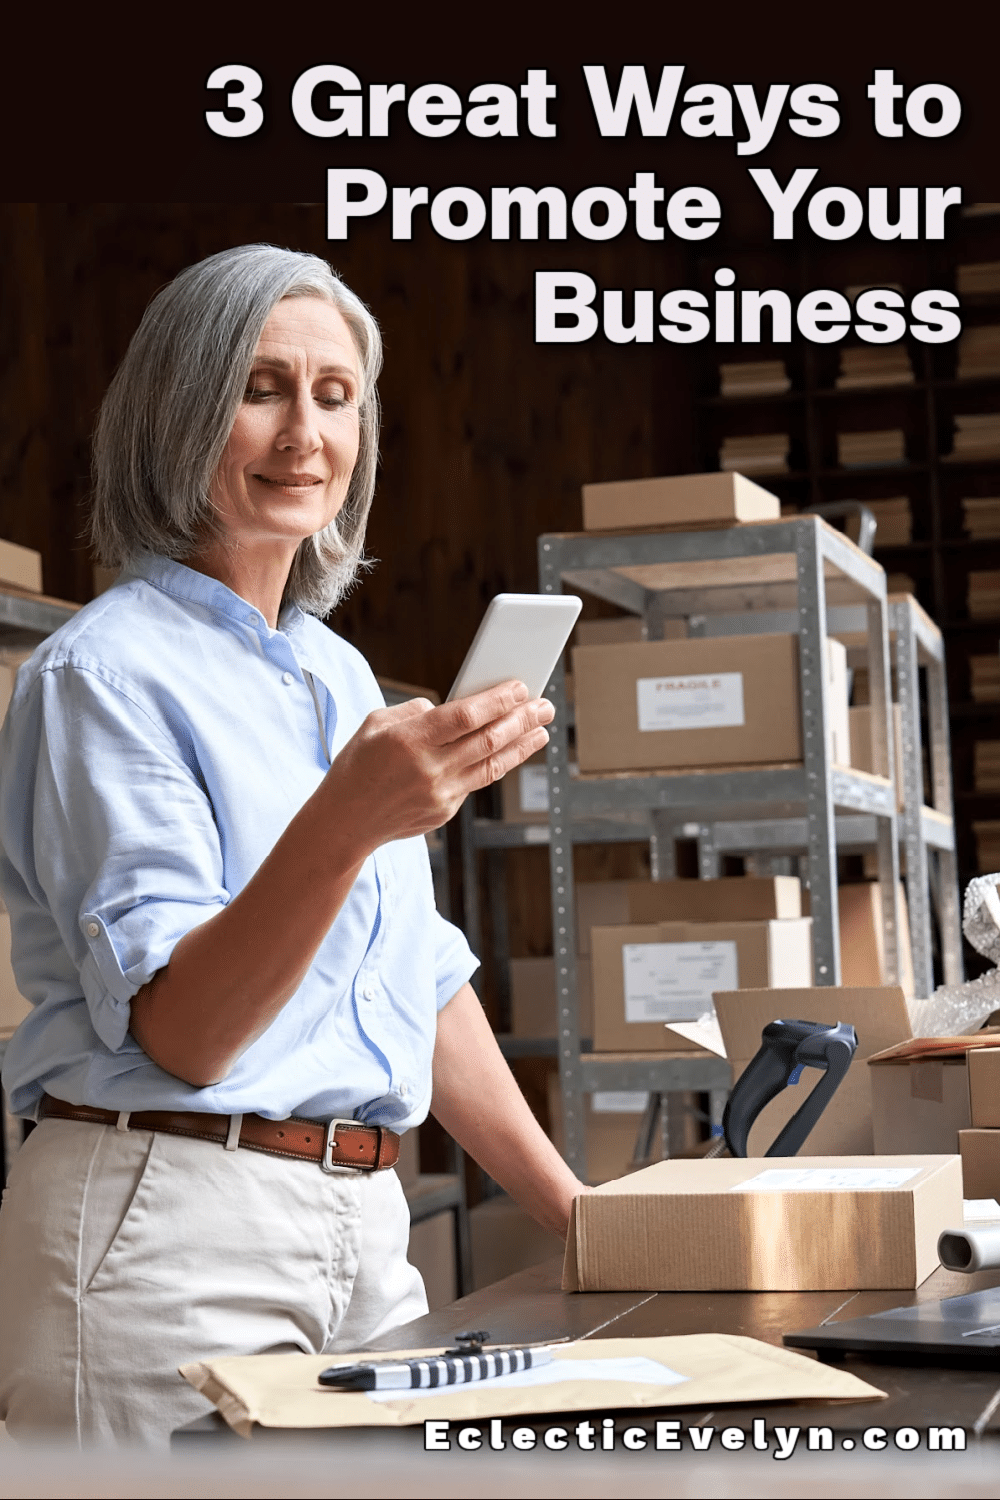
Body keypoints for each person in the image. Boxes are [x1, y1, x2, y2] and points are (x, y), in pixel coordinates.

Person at [0, 244, 586, 1447]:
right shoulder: (101, 675)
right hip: (167, 1221)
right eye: (259, 388)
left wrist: (577, 1213)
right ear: (179, 407)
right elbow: (188, 1034)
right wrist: (350, 818)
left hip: (369, 1224)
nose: (302, 434)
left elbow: (414, 975)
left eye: (335, 397)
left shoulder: (334, 670)